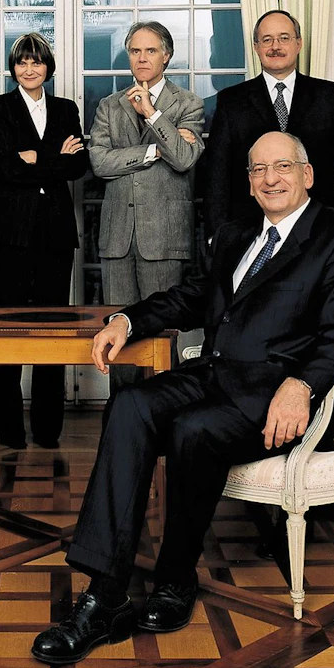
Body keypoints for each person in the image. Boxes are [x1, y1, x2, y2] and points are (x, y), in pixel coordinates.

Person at [31, 130, 334, 666]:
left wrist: (302, 385)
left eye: (282, 167)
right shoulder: (236, 233)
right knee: (130, 405)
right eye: (258, 170)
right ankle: (105, 595)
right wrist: (126, 320)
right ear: (249, 182)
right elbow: (190, 296)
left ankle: (175, 578)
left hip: (276, 395)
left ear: (307, 175)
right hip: (213, 374)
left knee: (195, 429)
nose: (270, 179)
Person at [0, 33, 89, 449]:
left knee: (53, 330)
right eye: (21, 63)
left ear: (48, 67)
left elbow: (78, 167)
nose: (29, 69)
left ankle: (47, 428)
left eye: (37, 62)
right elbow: (4, 169)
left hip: (55, 235)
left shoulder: (66, 109)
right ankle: (10, 430)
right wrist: (55, 158)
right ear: (13, 69)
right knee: (6, 329)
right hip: (9, 235)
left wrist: (34, 158)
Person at [89, 21, 205, 393]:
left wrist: (153, 114)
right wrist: (156, 150)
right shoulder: (109, 106)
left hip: (165, 237)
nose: (142, 58)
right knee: (117, 333)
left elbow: (184, 158)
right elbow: (100, 163)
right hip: (118, 238)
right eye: (135, 51)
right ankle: (121, 413)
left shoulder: (188, 103)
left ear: (166, 56)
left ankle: (163, 413)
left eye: (150, 50)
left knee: (161, 334)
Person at [203, 9, 334, 238]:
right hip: (250, 229)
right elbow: (217, 176)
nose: (275, 46)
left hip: (320, 229)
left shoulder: (331, 96)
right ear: (256, 47)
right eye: (267, 40)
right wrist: (217, 236)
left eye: (284, 38)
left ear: (298, 43)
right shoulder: (231, 101)